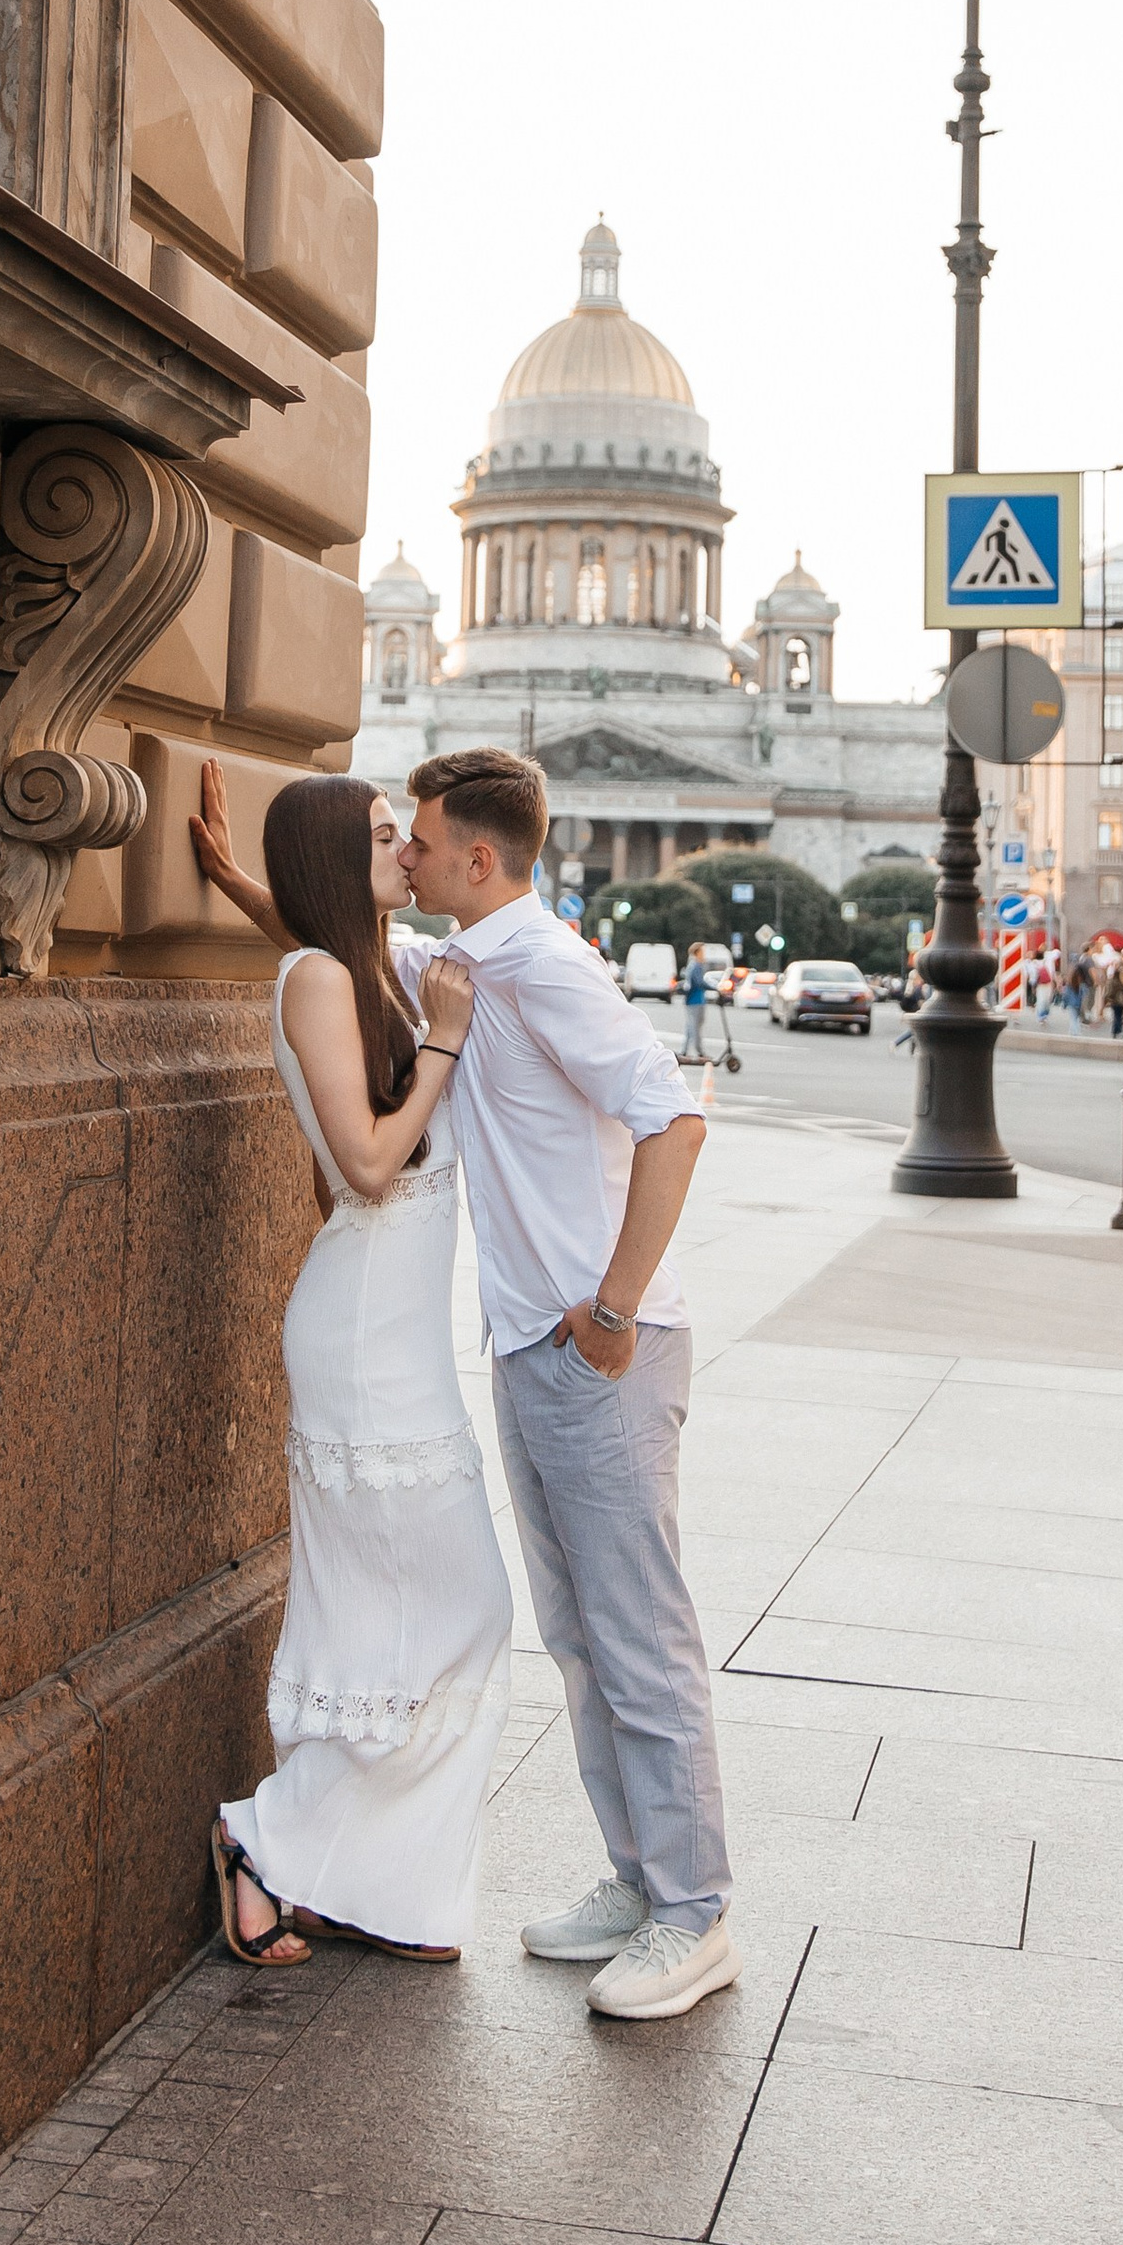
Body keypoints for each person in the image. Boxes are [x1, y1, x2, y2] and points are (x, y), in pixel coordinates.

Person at [198, 746, 734, 2024]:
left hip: (596, 1349)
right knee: (580, 1634)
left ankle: (693, 1912)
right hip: (522, 1348)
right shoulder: (456, 967)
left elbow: (676, 1121)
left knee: (636, 1634)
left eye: (421, 839)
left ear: (475, 861)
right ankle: (635, 1878)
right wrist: (230, 875)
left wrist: (612, 1311)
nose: (408, 854)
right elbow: (323, 951)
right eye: (392, 839)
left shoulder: (538, 965)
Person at [194, 774, 511, 1973]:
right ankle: (264, 1841)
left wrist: (234, 883)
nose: (411, 846)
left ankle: (352, 1878)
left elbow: (313, 938)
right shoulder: (335, 979)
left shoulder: (359, 960)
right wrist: (443, 1041)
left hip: (395, 1333)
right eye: (385, 836)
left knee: (406, 1618)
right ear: (344, 853)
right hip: (364, 1334)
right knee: (460, 1606)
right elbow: (369, 1164)